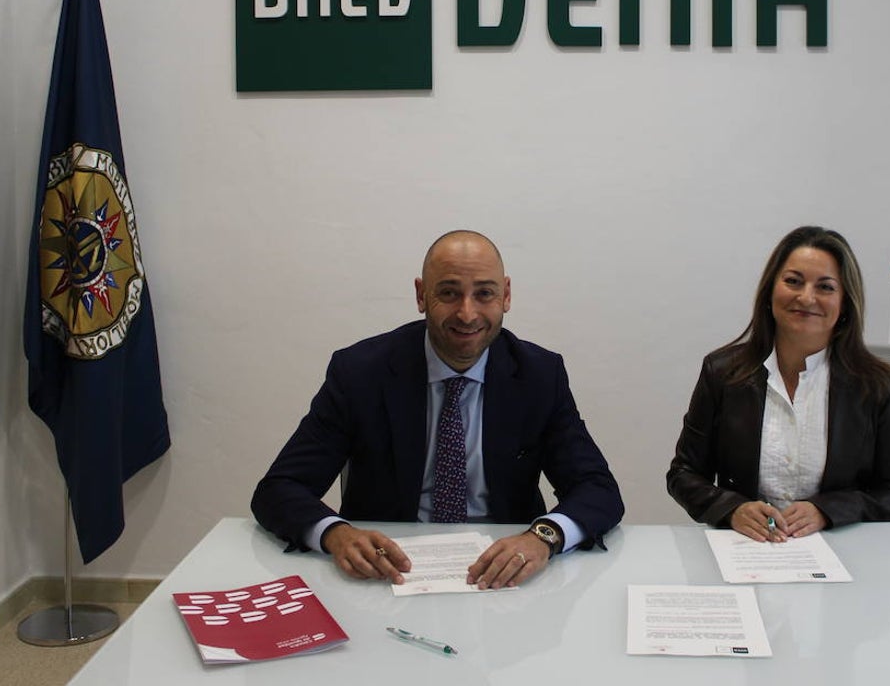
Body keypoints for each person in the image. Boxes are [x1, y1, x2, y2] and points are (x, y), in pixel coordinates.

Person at [252, 230, 623, 588]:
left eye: (484, 294)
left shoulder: (539, 375)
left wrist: (544, 536)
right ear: (421, 295)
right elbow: (280, 488)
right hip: (388, 574)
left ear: (506, 295)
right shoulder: (360, 373)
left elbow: (597, 489)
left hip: (502, 576)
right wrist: (335, 533)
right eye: (449, 292)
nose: (467, 313)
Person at [666, 226, 890, 541]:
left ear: (845, 304)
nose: (806, 297)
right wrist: (731, 508)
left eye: (825, 287)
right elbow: (683, 474)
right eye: (793, 281)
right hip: (746, 549)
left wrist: (828, 510)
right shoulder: (722, 373)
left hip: (841, 555)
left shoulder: (875, 385)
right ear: (771, 291)